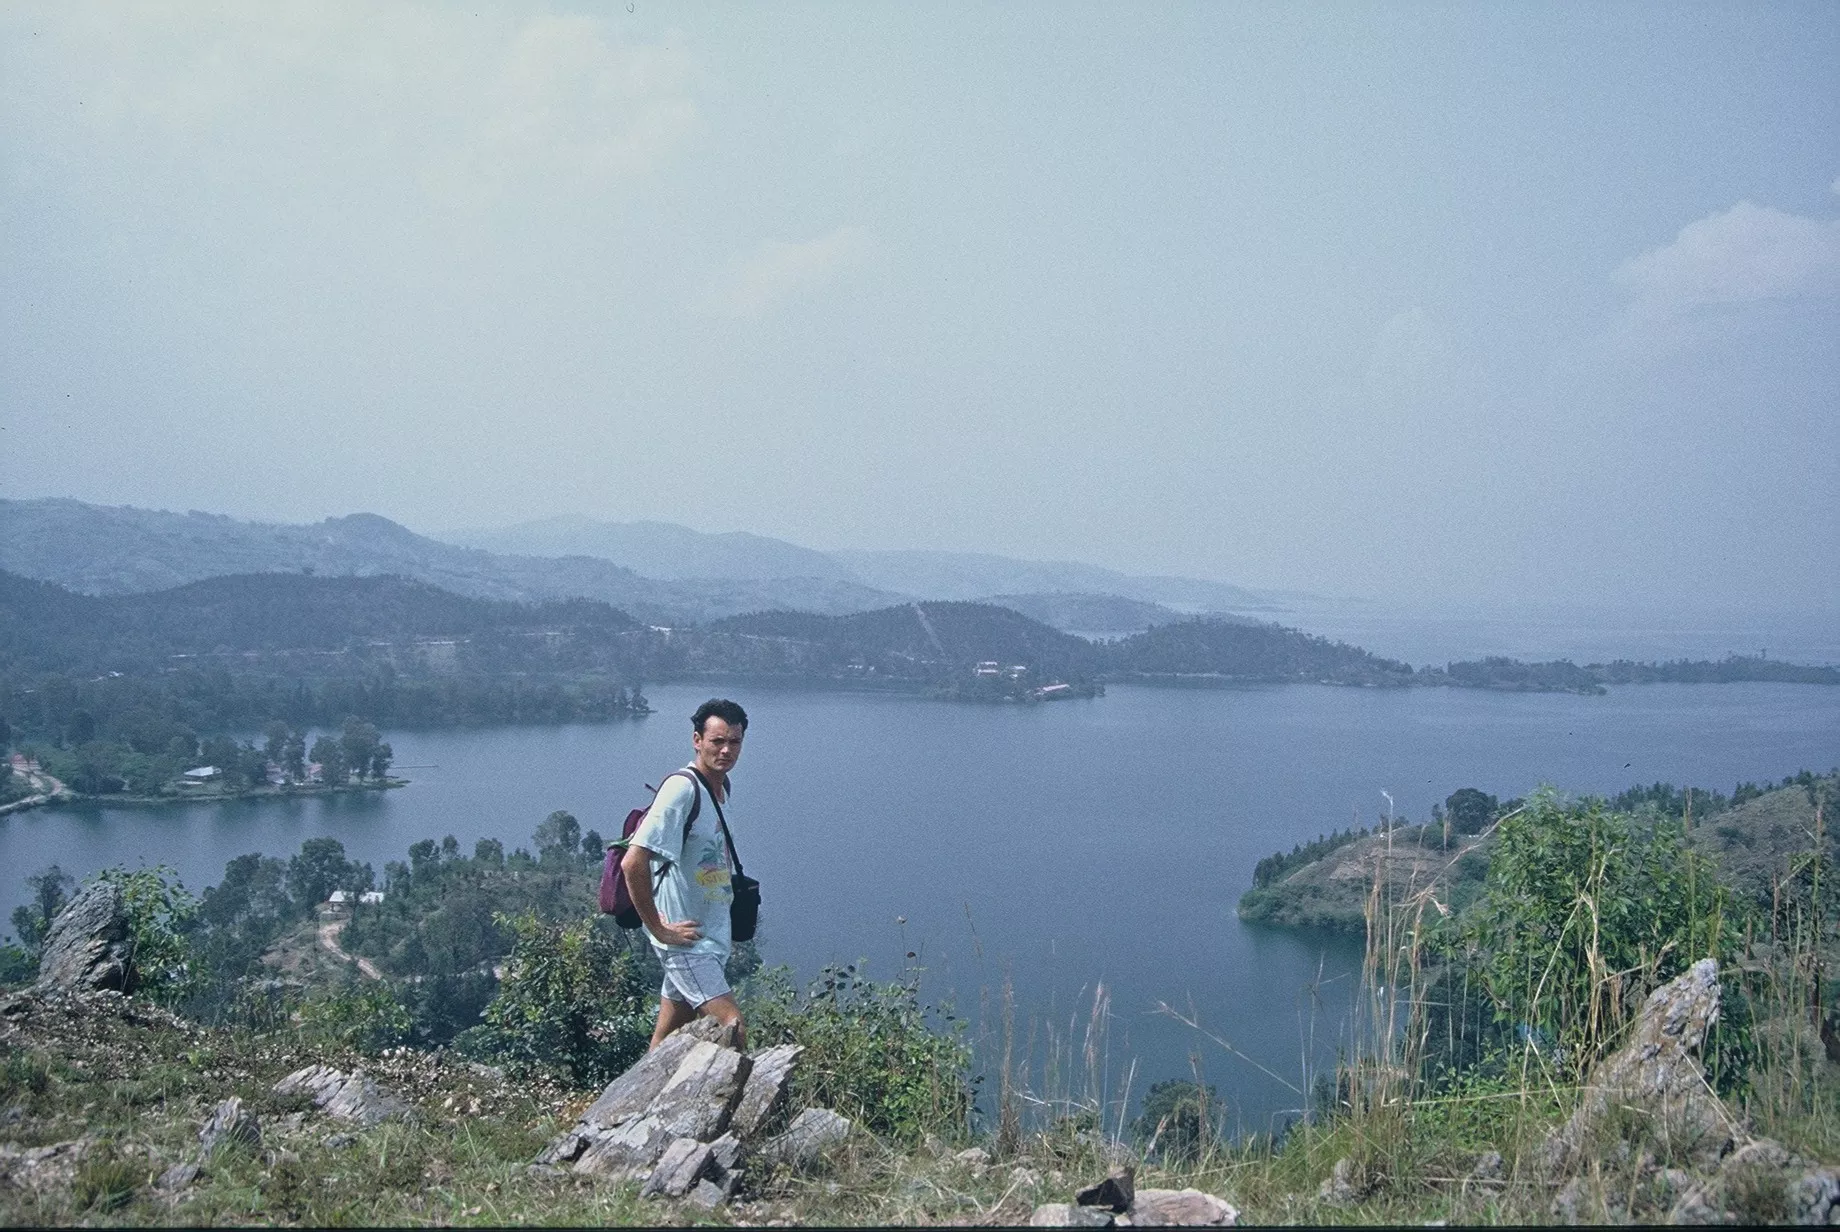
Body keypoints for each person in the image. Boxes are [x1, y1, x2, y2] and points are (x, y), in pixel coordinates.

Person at [622, 697, 749, 1050]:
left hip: (708, 936)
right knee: (733, 1027)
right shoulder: (682, 789)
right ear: (697, 740)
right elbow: (633, 863)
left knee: (667, 1036)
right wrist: (659, 929)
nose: (726, 750)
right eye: (717, 741)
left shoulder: (719, 789)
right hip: (687, 943)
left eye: (734, 742)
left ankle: (642, 1087)